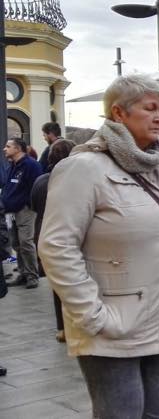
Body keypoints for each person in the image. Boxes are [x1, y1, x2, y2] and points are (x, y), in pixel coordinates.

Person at [38, 74, 159, 417]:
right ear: (119, 113)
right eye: (149, 108)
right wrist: (92, 316)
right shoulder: (83, 168)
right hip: (113, 325)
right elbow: (56, 247)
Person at [30, 138, 76, 343]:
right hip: (71, 236)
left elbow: (32, 206)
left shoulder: (41, 180)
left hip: (44, 235)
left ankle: (63, 328)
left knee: (58, 286)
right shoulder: (75, 179)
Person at [3, 137, 44, 289]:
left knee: (26, 242)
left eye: (8, 146)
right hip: (11, 210)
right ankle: (23, 273)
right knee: (16, 243)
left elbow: (37, 186)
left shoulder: (31, 165)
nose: (4, 149)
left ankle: (33, 276)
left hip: (25, 209)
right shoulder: (12, 165)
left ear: (18, 149)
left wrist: (27, 204)